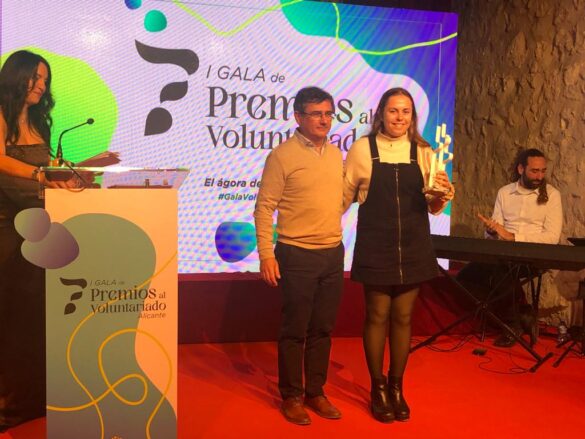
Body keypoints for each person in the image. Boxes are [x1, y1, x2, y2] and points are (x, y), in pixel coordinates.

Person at [343, 87, 454, 423]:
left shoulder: (424, 150)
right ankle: (377, 388)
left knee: (404, 318)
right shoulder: (363, 149)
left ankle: (396, 386)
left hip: (414, 245)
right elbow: (343, 197)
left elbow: (433, 205)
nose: (399, 117)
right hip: (375, 244)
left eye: (406, 111)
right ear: (381, 113)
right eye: (393, 110)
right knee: (377, 315)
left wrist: (443, 194)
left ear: (413, 116)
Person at [254, 87, 344, 425]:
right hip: (296, 254)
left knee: (323, 328)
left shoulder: (336, 155)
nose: (324, 120)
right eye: (316, 114)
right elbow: (264, 209)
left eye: (328, 113)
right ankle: (291, 396)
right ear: (298, 117)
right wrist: (266, 254)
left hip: (333, 253)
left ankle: (315, 392)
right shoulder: (282, 156)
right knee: (295, 330)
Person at [0, 50, 68, 431]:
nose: (42, 85)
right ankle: (9, 403)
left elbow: (48, 173)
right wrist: (40, 175)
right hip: (8, 233)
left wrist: (86, 167)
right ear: (17, 76)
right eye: (36, 77)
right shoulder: (0, 114)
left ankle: (33, 398)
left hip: (40, 231)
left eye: (45, 80)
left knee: (35, 320)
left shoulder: (40, 124)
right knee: (12, 320)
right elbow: (1, 161)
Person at [458, 148, 562, 347]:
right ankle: (520, 313)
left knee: (501, 270)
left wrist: (514, 237)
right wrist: (491, 231)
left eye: (543, 171)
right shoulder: (505, 192)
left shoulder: (552, 195)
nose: (540, 176)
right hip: (504, 253)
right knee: (464, 277)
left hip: (534, 257)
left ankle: (512, 324)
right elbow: (495, 233)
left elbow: (552, 237)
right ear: (521, 169)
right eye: (534, 171)